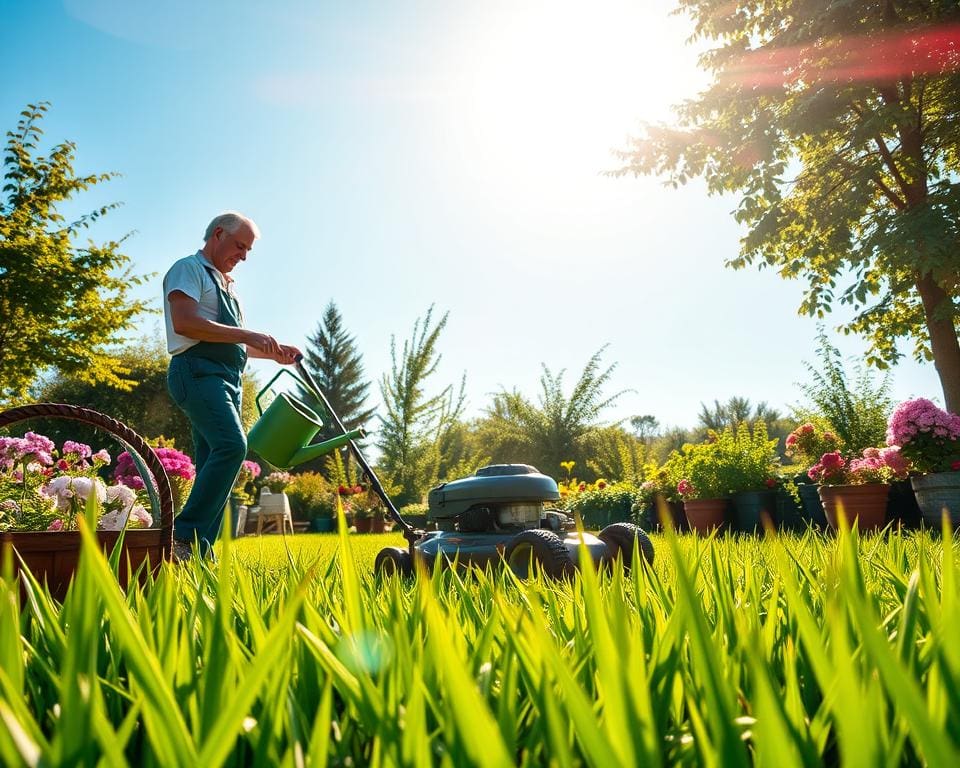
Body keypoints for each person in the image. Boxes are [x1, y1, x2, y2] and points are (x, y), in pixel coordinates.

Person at [163, 211, 301, 560]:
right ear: (218, 234)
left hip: (225, 381)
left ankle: (198, 552)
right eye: (240, 246)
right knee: (231, 446)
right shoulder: (189, 269)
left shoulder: (227, 287)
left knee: (215, 457)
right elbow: (185, 322)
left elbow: (232, 341)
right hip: (197, 372)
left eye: (248, 250)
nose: (243, 256)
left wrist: (273, 352)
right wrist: (248, 333)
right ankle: (182, 535)